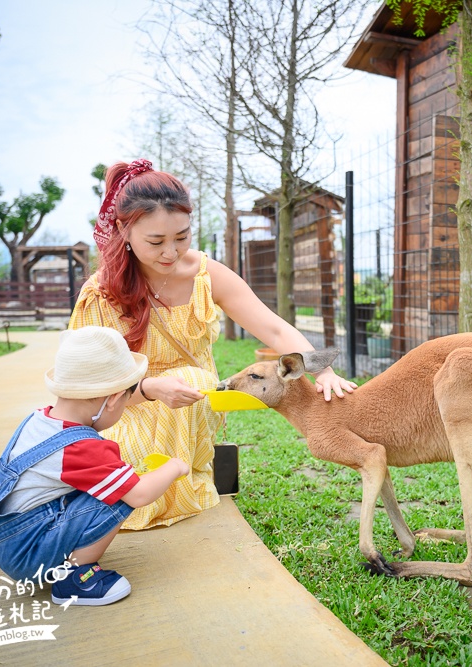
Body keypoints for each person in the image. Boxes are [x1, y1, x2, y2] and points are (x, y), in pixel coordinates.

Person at [69, 159, 357, 530]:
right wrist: (150, 388)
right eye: (155, 242)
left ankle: (178, 475)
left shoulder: (206, 274)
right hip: (124, 408)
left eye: (182, 236)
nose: (171, 252)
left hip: (192, 401)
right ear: (123, 230)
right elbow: (85, 387)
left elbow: (271, 327)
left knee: (192, 378)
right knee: (117, 484)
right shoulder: (100, 292)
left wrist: (323, 368)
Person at [0, 326, 190, 605]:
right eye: (128, 398)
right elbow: (139, 494)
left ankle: (67, 554)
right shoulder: (82, 448)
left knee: (114, 481)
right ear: (114, 399)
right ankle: (72, 579)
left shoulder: (39, 420)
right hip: (29, 554)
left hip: (6, 540)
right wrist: (175, 467)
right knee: (121, 493)